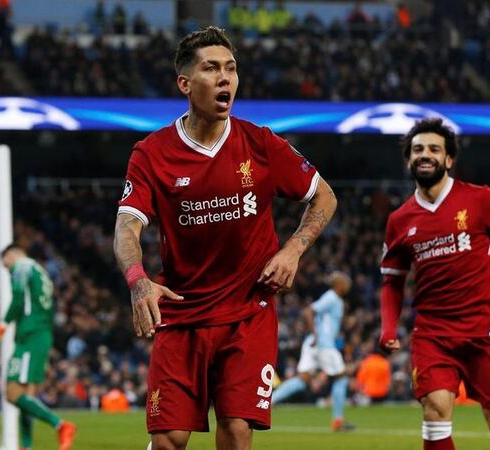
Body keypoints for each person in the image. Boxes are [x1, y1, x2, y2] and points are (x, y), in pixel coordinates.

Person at [113, 26, 337, 450]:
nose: (225, 78)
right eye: (211, 68)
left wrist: (292, 250)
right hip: (182, 313)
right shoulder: (151, 153)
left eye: (231, 69)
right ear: (185, 83)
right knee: (168, 441)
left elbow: (324, 197)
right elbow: (127, 226)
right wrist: (137, 278)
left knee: (236, 432)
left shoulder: (262, 143)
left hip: (248, 313)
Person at [379, 118, 490, 450]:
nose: (425, 155)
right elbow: (392, 282)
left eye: (434, 148)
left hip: (485, 332)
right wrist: (389, 326)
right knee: (435, 411)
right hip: (433, 335)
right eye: (417, 150)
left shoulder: (480, 199)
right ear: (408, 160)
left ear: (449, 159)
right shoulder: (399, 220)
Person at [0, 244, 76, 450]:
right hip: (40, 334)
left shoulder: (21, 266)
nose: (7, 269)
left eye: (6, 264)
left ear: (12, 255)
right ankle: (26, 446)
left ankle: (61, 425)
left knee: (12, 393)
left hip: (30, 336)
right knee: (25, 396)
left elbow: (18, 300)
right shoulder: (40, 270)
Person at [271, 272, 355, 431]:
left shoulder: (336, 300)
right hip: (322, 343)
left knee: (303, 380)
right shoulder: (331, 296)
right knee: (342, 378)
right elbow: (308, 311)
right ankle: (338, 421)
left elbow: (327, 319)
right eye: (345, 282)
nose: (348, 285)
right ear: (339, 284)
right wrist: (316, 334)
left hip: (313, 344)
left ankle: (269, 402)